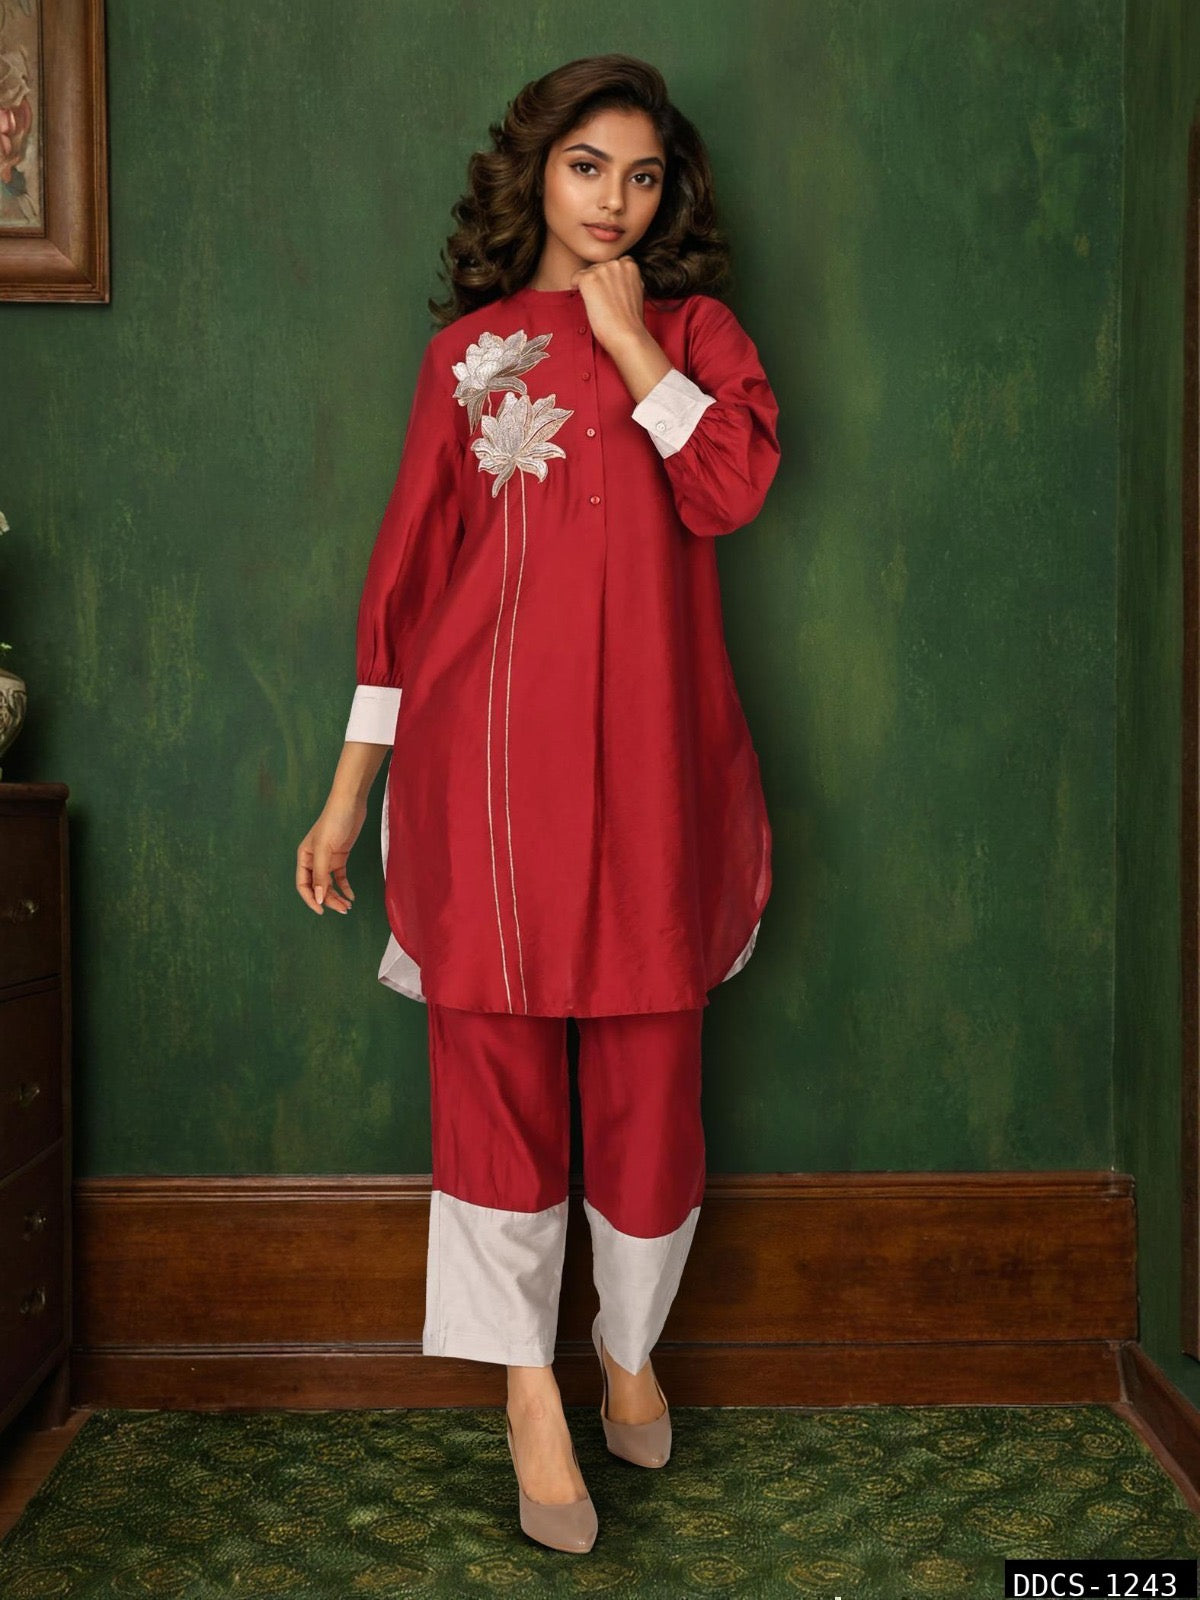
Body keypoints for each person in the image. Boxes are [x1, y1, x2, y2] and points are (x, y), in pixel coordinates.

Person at [295, 52, 781, 1554]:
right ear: (538, 174)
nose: (613, 200)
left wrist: (632, 344)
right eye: (587, 168)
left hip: (653, 777)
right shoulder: (469, 357)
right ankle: (526, 1391)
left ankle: (629, 1345)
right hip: (487, 773)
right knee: (495, 1078)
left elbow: (731, 491)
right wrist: (345, 797)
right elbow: (404, 587)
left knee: (651, 1081)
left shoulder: (698, 336)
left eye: (642, 175)